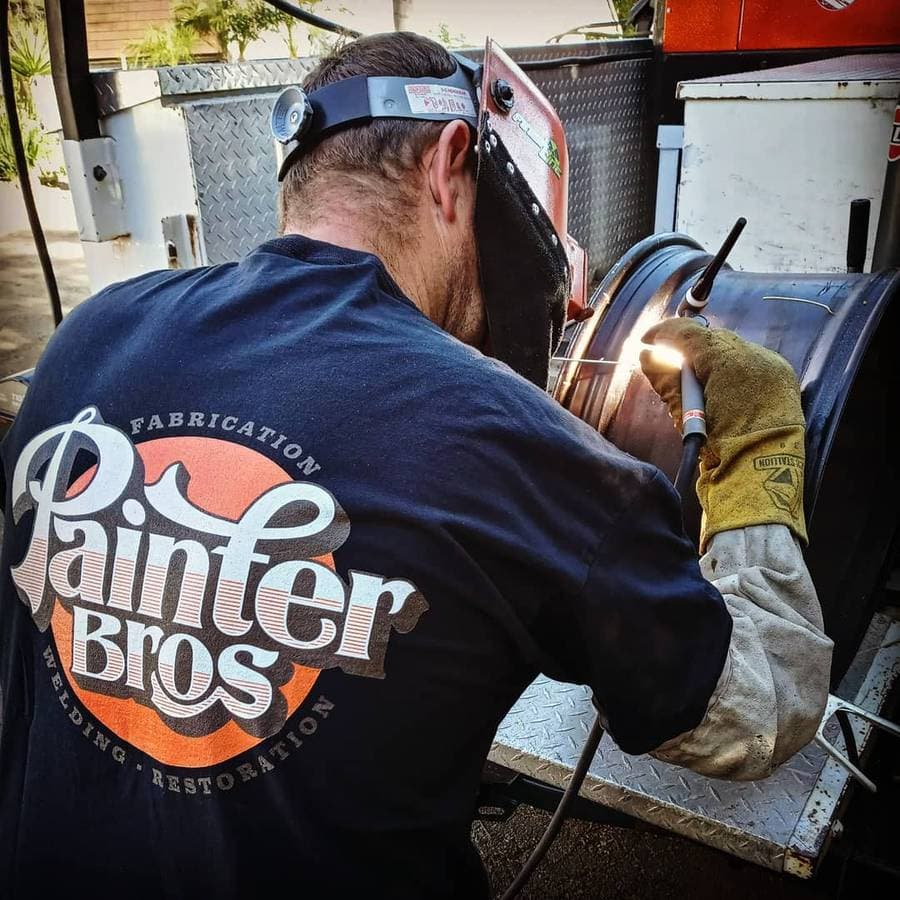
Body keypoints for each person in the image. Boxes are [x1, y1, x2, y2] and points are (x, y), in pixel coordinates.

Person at [0, 31, 830, 900]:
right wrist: (757, 443)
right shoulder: (513, 448)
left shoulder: (89, 341)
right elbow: (759, 706)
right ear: (450, 164)